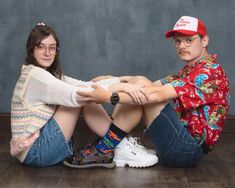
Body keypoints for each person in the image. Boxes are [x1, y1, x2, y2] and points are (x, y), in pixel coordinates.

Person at [64, 16, 230, 168]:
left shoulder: (210, 73)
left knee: (143, 90)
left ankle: (105, 147)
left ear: (204, 40)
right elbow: (150, 84)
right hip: (180, 143)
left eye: (189, 40)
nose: (182, 46)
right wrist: (115, 80)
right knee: (140, 83)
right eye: (178, 41)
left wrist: (107, 96)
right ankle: (114, 145)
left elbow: (155, 94)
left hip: (188, 151)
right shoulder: (191, 70)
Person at [10, 23, 158, 168]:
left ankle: (120, 146)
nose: (48, 53)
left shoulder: (46, 74)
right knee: (86, 97)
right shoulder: (37, 77)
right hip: (36, 152)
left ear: (57, 51)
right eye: (41, 47)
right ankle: (121, 146)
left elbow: (85, 84)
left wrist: (122, 79)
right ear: (31, 50)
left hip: (37, 147)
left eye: (52, 47)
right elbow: (81, 93)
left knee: (86, 92)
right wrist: (122, 86)